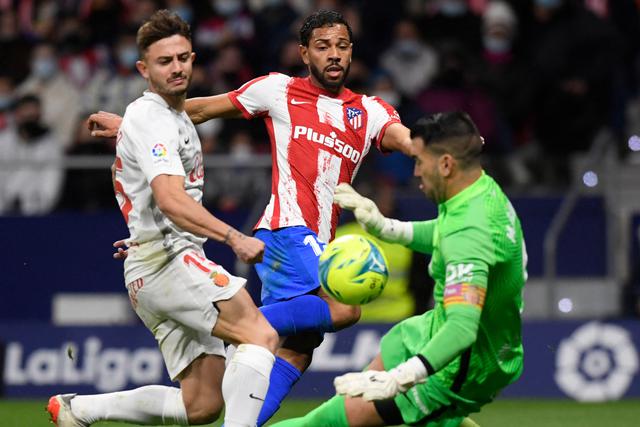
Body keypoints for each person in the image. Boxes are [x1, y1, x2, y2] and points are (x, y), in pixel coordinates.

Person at [88, 10, 413, 425]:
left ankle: (244, 407)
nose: (334, 55)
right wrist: (132, 124)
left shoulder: (369, 111)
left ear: (352, 53)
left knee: (300, 346)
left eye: (342, 46)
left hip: (321, 239)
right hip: (285, 228)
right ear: (304, 53)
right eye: (323, 47)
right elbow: (202, 110)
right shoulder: (278, 90)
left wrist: (437, 148)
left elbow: (404, 139)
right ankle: (239, 326)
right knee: (346, 309)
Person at [47, 10, 278, 427]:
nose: (177, 67)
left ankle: (78, 410)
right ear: (143, 69)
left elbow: (163, 126)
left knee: (203, 404)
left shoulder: (158, 116)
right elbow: (171, 199)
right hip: (169, 261)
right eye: (164, 61)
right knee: (259, 335)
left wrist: (126, 127)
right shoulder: (151, 117)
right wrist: (233, 238)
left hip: (147, 267)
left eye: (184, 57)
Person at [273, 111, 527, 427]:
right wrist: (385, 227)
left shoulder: (470, 231)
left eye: (420, 161)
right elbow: (445, 231)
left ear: (446, 164)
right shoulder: (480, 191)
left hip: (459, 364)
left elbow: (463, 327)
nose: (416, 172)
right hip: (432, 330)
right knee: (337, 417)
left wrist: (400, 378)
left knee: (330, 421)